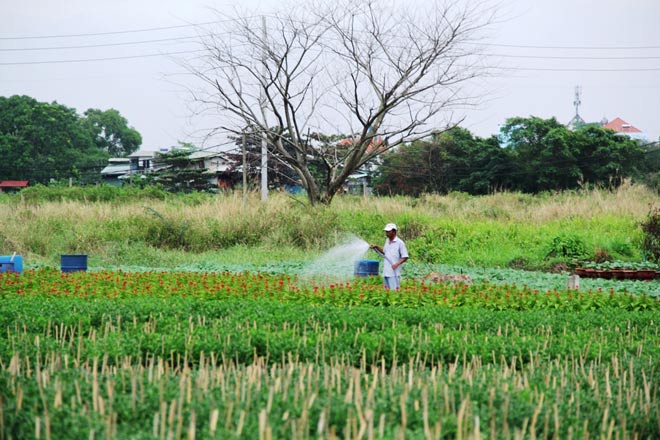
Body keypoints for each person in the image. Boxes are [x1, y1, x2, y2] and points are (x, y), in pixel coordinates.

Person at [370, 223, 409, 290]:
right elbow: (384, 251)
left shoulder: (400, 243)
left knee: (394, 293)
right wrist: (376, 247)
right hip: (386, 272)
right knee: (387, 292)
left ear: (394, 232)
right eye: (386, 231)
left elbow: (405, 257)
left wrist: (396, 264)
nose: (386, 233)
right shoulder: (387, 241)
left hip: (394, 273)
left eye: (388, 231)